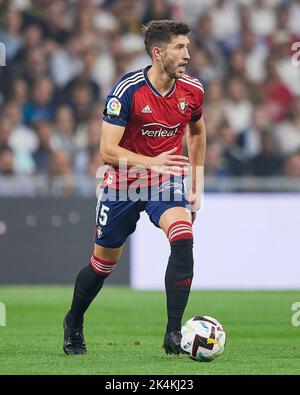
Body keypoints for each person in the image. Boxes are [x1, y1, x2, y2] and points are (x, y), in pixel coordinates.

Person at [63, 20, 206, 355]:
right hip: (123, 184)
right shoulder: (127, 90)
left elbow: (197, 131)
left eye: (187, 46)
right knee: (101, 267)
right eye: (179, 47)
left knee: (183, 238)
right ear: (158, 53)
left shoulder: (193, 90)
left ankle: (173, 334)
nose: (187, 54)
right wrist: (152, 161)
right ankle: (74, 321)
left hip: (165, 182)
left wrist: (197, 184)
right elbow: (107, 151)